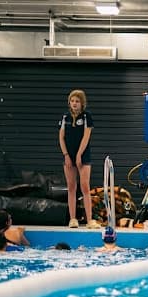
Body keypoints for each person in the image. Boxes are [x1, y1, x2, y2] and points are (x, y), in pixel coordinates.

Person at [59, 89, 100, 229]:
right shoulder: (65, 117)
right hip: (68, 156)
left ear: (82, 103)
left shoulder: (87, 116)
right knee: (71, 187)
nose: (74, 103)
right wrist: (66, 155)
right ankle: (73, 219)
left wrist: (79, 155)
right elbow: (61, 137)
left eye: (77, 101)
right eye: (72, 101)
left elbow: (86, 136)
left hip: (83, 156)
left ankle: (89, 220)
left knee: (85, 186)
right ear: (69, 103)